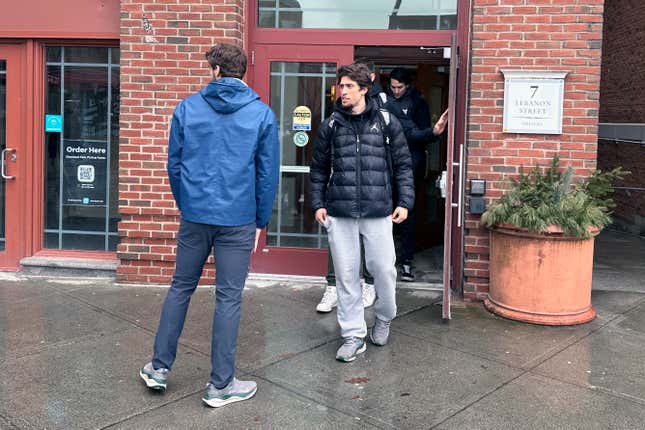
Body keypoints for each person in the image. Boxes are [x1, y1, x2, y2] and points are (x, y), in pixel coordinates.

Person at [139, 43, 280, 408]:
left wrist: (188, 204)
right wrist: (260, 220)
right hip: (238, 220)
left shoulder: (187, 108)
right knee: (228, 298)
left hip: (196, 215)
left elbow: (174, 165)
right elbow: (267, 176)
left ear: (217, 70)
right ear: (242, 72)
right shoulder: (261, 114)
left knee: (180, 288)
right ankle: (220, 386)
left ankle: (158, 368)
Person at [310, 63, 414, 362]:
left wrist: (404, 202)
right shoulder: (331, 125)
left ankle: (384, 317)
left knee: (383, 270)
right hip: (339, 211)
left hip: (378, 209)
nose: (342, 91)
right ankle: (353, 334)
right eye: (341, 86)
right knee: (345, 275)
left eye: (348, 87)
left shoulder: (386, 122)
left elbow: (404, 165)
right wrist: (318, 203)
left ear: (364, 90)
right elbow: (317, 168)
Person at [388, 67, 448, 282]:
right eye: (393, 87)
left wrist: (432, 133)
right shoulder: (385, 102)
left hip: (411, 165)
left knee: (407, 214)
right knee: (385, 213)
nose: (396, 91)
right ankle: (385, 262)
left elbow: (420, 135)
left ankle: (405, 261)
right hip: (387, 166)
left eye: (400, 87)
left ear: (408, 85)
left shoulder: (417, 103)